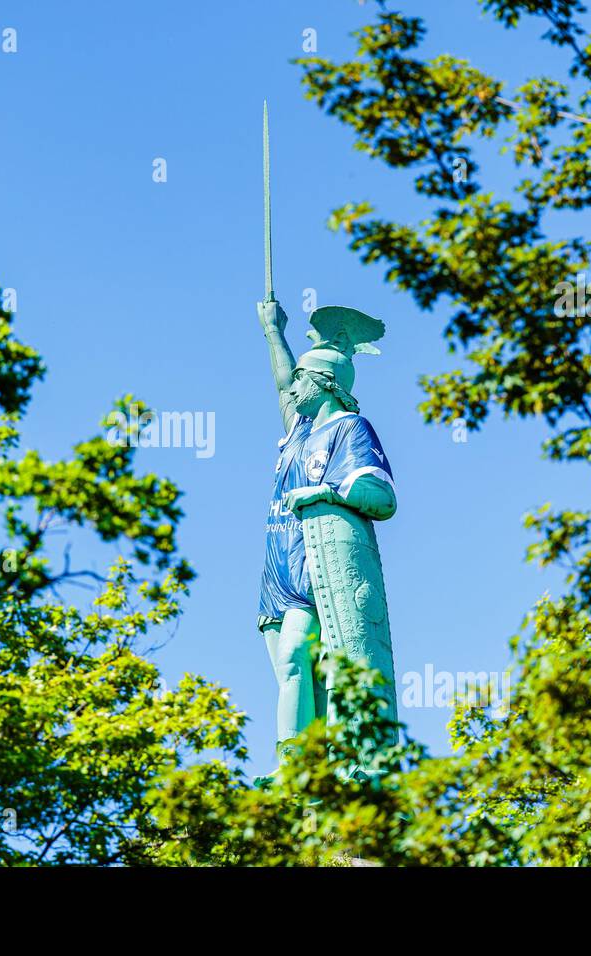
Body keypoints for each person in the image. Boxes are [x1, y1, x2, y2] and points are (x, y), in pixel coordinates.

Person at [255, 298, 399, 783]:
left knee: (300, 655)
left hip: (320, 568)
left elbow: (381, 496)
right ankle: (314, 765)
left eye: (300, 380)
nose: (290, 388)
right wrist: (274, 332)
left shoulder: (349, 428)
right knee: (295, 677)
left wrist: (329, 491)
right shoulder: (296, 435)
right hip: (278, 569)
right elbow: (282, 385)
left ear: (322, 385)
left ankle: (293, 767)